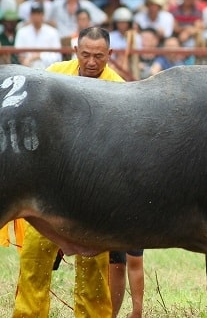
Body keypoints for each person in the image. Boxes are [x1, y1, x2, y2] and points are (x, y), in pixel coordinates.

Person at [13, 26, 122, 318]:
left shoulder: (120, 91)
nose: (91, 62)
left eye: (98, 56)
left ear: (109, 55)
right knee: (34, 260)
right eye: (85, 54)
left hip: (91, 195)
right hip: (48, 191)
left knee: (94, 271)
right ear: (75, 51)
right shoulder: (52, 76)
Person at [14, 1, 61, 68]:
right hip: (27, 68)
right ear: (30, 15)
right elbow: (19, 54)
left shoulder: (52, 32)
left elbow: (58, 56)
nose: (36, 17)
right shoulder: (22, 32)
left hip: (48, 70)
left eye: (38, 14)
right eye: (34, 14)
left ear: (43, 15)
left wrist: (38, 56)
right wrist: (26, 63)